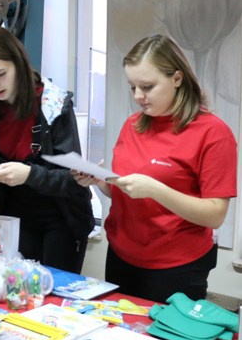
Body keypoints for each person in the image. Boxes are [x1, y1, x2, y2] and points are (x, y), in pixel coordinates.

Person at [73, 34, 237, 303]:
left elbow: (215, 215)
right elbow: (127, 193)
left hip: (176, 267)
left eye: (147, 87)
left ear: (176, 78)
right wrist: (99, 181)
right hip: (121, 256)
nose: (138, 96)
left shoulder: (213, 133)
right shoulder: (133, 125)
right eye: (132, 87)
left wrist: (156, 190)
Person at [0, 26, 94, 273]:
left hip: (62, 220)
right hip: (14, 220)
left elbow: (74, 180)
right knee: (18, 296)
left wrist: (30, 174)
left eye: (1, 74)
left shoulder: (54, 104)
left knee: (53, 302)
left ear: (18, 64)